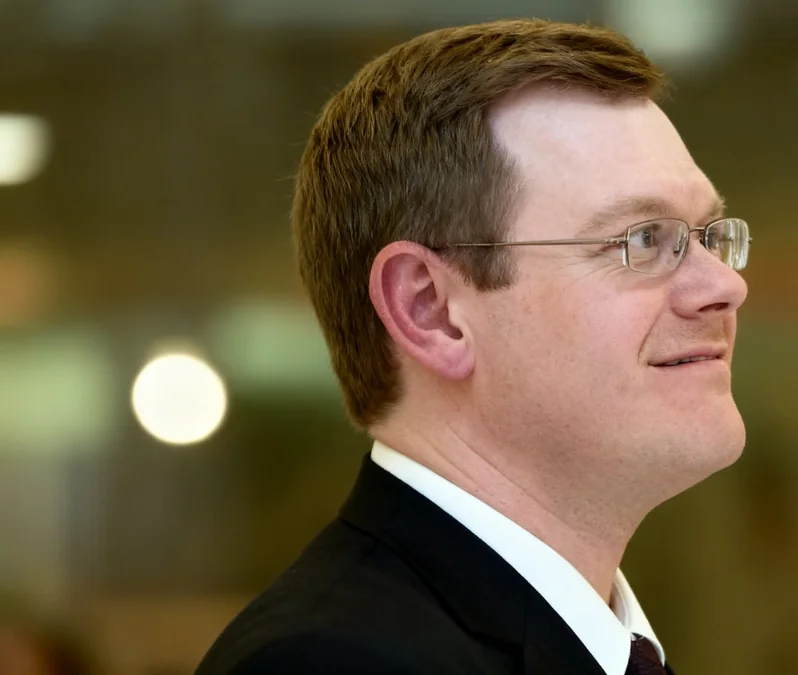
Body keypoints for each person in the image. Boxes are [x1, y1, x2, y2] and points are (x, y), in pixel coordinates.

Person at [195, 17, 752, 675]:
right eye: (644, 240)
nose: (725, 286)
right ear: (430, 310)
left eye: (710, 234)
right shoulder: (332, 663)